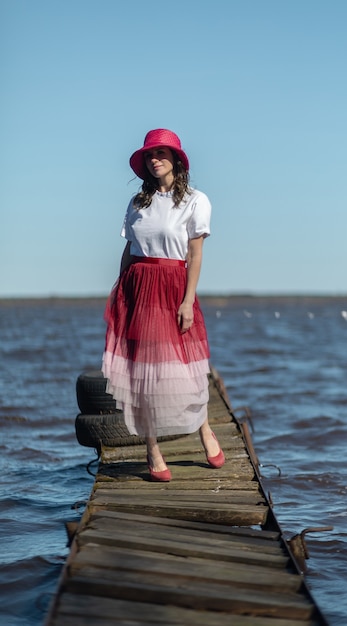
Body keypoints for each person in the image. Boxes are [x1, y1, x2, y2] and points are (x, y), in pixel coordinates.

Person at [102, 128, 225, 481]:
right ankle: (152, 448)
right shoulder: (137, 203)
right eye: (149, 155)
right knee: (143, 374)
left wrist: (188, 300)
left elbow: (195, 255)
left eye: (161, 153)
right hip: (137, 287)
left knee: (185, 368)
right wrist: (120, 292)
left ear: (176, 160)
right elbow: (129, 251)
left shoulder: (195, 201)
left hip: (174, 285)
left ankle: (204, 430)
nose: (154, 159)